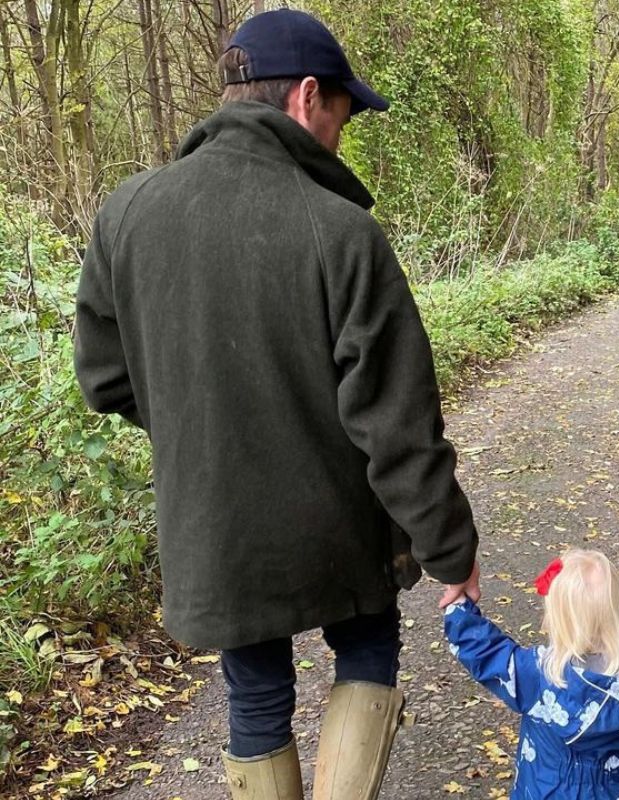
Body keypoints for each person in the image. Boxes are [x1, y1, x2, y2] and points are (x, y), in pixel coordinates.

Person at [73, 10, 480, 800]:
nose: (342, 132)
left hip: (214, 523)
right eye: (343, 112)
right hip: (338, 521)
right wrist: (449, 550)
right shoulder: (341, 232)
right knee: (365, 652)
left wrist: (205, 423)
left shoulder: (125, 214)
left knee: (254, 691)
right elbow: (398, 422)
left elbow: (105, 379)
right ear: (305, 98)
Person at [443, 549, 619, 800]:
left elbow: (484, 651)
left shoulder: (536, 674)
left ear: (555, 616)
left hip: (544, 791)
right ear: (618, 612)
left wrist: (459, 608)